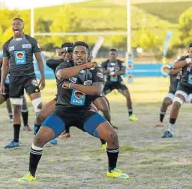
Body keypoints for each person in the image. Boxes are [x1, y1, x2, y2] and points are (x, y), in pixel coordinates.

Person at [18, 41, 129, 183]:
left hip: (85, 112)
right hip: (62, 112)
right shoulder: (65, 65)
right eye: (76, 52)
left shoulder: (96, 71)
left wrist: (72, 85)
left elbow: (97, 90)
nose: (79, 55)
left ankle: (112, 170)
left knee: (112, 136)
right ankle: (30, 174)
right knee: (38, 139)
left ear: (89, 55)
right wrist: (83, 66)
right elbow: (61, 74)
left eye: (82, 52)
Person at [1, 17, 45, 148]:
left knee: (38, 107)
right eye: (13, 24)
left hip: (30, 78)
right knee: (16, 110)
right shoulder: (7, 44)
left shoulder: (31, 41)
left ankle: (42, 136)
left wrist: (42, 77)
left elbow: (39, 60)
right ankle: (15, 140)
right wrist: (2, 82)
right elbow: (5, 65)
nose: (15, 26)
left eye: (18, 24)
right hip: (14, 80)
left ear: (23, 26)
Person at [0, 59, 31, 131]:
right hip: (4, 88)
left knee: (23, 106)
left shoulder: (19, 63)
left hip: (16, 88)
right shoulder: (3, 62)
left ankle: (26, 125)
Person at [162, 43, 192, 138]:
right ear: (188, 51)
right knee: (176, 103)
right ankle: (170, 130)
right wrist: (188, 60)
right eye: (191, 52)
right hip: (184, 87)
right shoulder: (184, 59)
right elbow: (175, 66)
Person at [102, 48, 138, 121]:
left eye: (114, 54)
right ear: (108, 55)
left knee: (128, 95)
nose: (112, 55)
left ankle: (131, 115)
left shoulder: (121, 62)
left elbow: (123, 71)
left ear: (116, 55)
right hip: (109, 83)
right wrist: (112, 71)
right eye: (111, 54)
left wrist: (112, 72)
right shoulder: (104, 63)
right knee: (99, 97)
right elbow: (102, 71)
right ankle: (99, 116)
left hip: (118, 83)